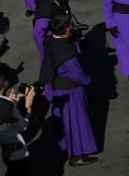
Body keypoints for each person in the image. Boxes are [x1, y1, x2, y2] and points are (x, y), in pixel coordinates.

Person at [39, 15, 98, 167]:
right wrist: (88, 81)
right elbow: (77, 73)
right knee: (77, 122)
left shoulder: (51, 41)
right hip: (71, 89)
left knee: (64, 121)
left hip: (57, 87)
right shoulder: (66, 52)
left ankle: (64, 149)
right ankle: (77, 154)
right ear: (66, 29)